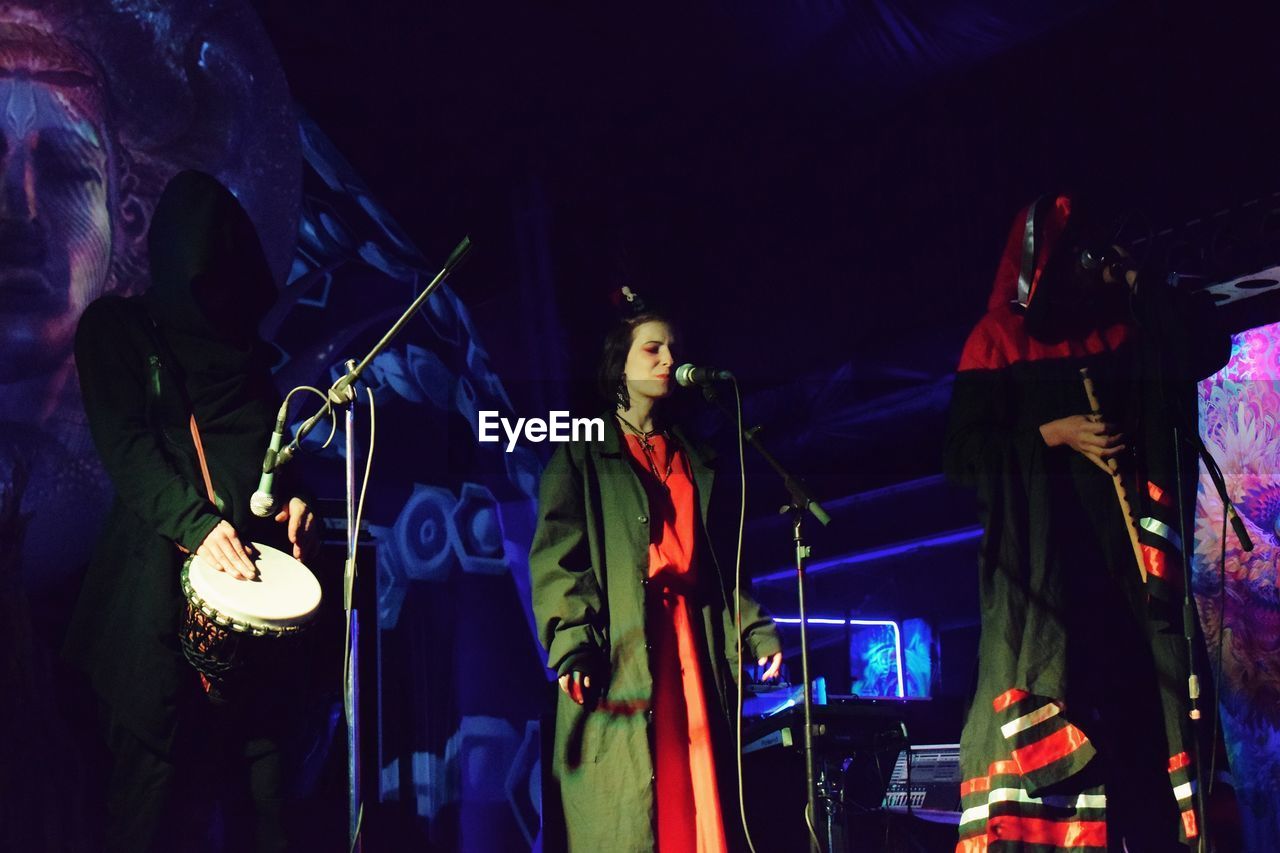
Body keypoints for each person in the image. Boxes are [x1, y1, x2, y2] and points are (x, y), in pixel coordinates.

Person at [945, 195, 1230, 852]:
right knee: (1066, 761)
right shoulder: (997, 337)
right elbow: (962, 458)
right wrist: (1053, 432)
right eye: (1079, 253)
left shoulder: (1122, 330)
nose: (1088, 265)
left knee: (1145, 750)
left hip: (1129, 581)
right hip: (1046, 588)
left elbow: (1203, 343)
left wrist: (1135, 280)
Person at [64, 169, 321, 853]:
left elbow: (275, 459)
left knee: (269, 819)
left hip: (255, 649)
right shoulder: (119, 332)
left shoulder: (250, 365)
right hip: (154, 627)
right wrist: (200, 525)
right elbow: (129, 449)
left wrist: (301, 505)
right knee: (150, 817)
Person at [530, 299, 784, 852]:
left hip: (689, 644)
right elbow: (558, 556)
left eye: (672, 349)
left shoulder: (696, 457)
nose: (669, 359)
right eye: (653, 348)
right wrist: (572, 642)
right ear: (620, 363)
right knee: (629, 808)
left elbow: (722, 565)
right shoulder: (579, 453)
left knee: (695, 795)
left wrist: (755, 630)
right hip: (622, 648)